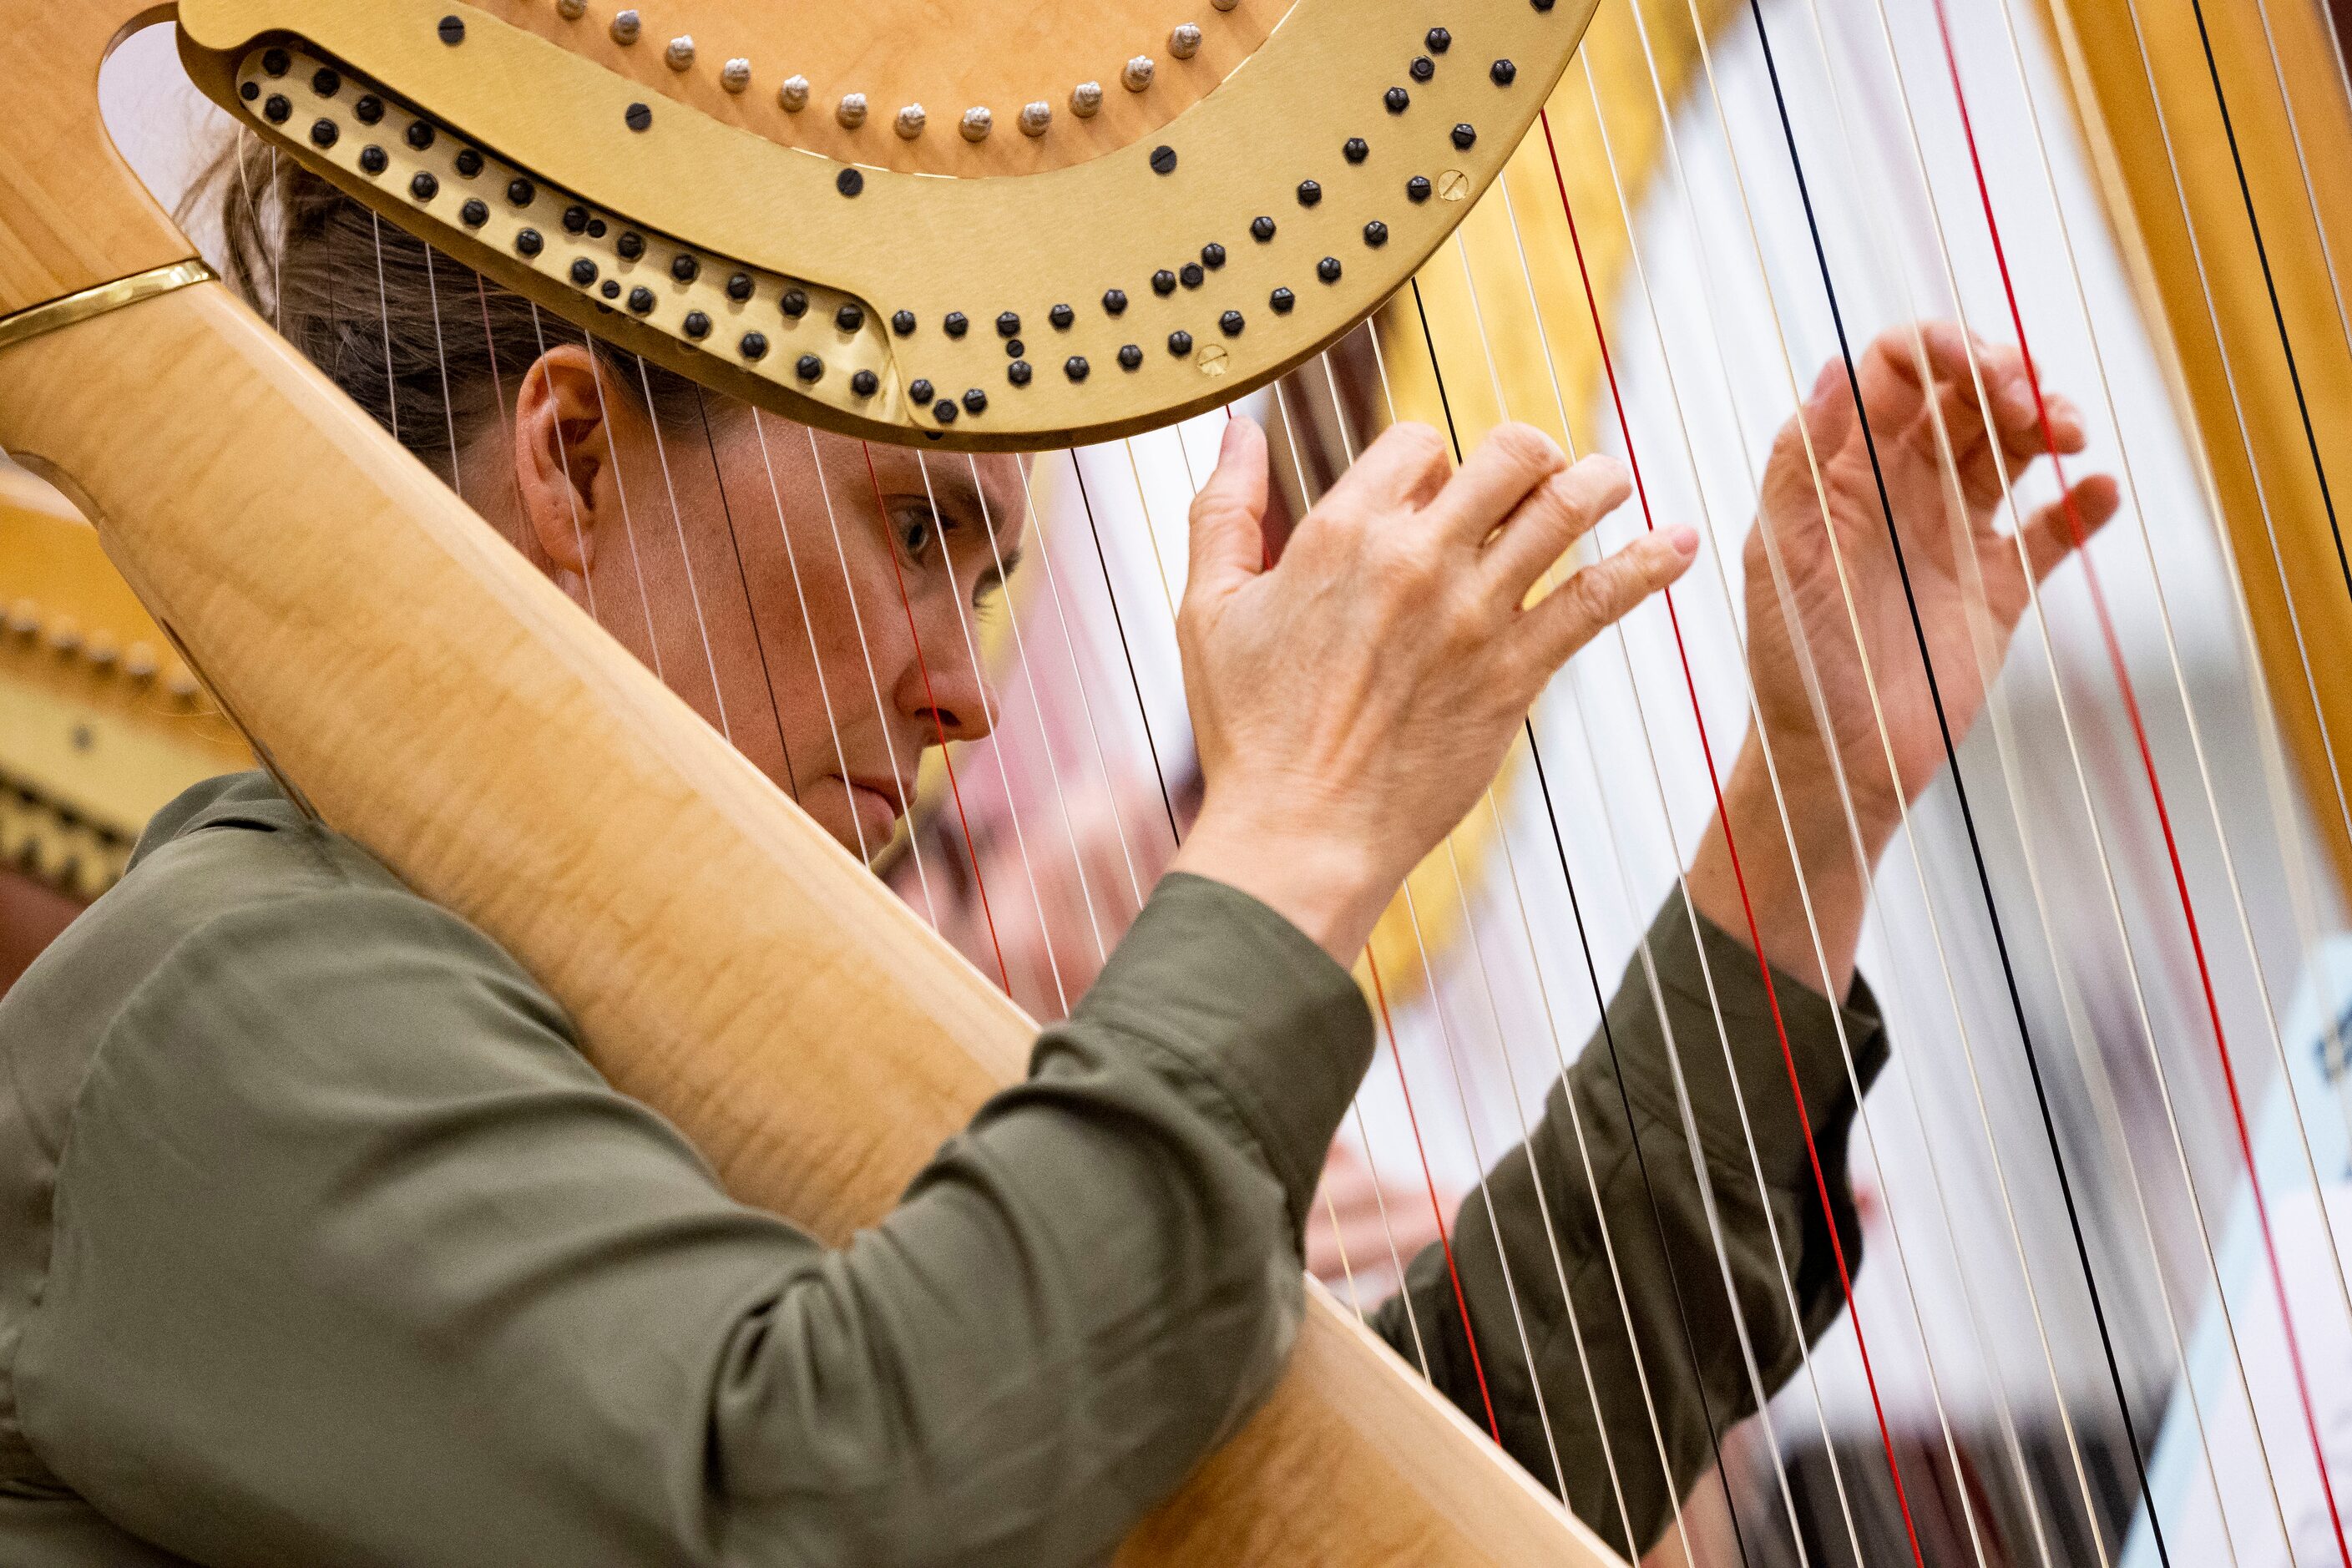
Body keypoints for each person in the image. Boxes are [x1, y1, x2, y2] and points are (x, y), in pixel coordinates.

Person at [0, 141, 2117, 1566]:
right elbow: (837, 1503)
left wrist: (1810, 809)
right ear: (570, 459)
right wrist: (1284, 839)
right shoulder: (246, 986)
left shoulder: (692, 1035)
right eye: (909, 533)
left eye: (987, 573)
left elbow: (1301, 1529)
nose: (959, 693)